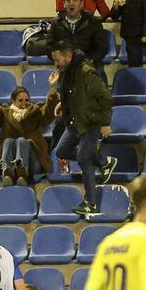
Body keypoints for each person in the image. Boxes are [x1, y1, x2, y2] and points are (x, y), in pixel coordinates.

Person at [49, 40, 116, 218]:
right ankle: (104, 162)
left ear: (68, 56)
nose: (55, 63)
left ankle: (90, 203)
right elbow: (73, 93)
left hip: (90, 122)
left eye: (57, 59)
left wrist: (105, 122)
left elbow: (105, 97)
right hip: (74, 121)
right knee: (62, 150)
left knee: (83, 158)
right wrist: (62, 104)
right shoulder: (68, 71)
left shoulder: (86, 72)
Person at [0, 67, 58, 186]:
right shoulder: (5, 114)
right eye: (20, 100)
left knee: (22, 141)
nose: (24, 103)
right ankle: (7, 173)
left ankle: (23, 174)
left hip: (34, 161)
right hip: (9, 158)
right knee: (8, 141)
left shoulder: (36, 112)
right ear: (13, 101)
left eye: (27, 100)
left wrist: (52, 88)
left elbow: (49, 111)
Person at [49, 0, 110, 76]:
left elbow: (102, 46)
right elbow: (50, 46)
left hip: (87, 62)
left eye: (75, 0)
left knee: (98, 73)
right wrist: (60, 58)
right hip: (65, 64)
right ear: (64, 4)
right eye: (68, 0)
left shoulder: (92, 21)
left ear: (81, 4)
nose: (71, 3)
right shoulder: (56, 23)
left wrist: (89, 60)